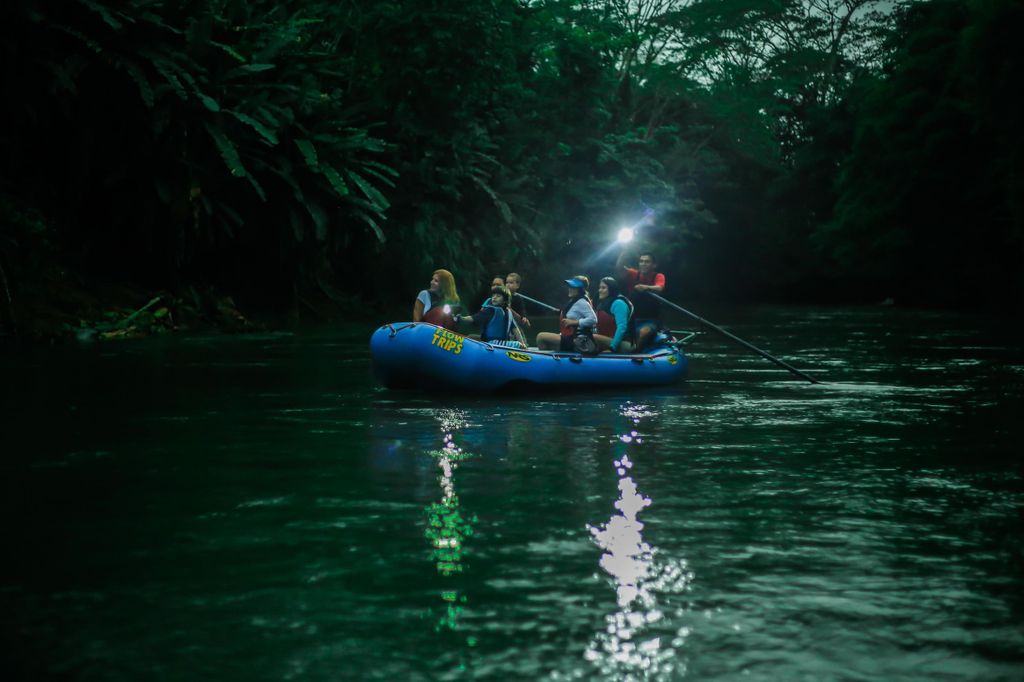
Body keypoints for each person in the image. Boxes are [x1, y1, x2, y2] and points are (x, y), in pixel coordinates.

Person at [616, 250, 665, 351]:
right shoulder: (633, 274)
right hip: (631, 319)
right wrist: (624, 249)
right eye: (641, 261)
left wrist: (646, 287)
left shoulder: (658, 276)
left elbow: (659, 288)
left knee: (643, 332)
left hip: (650, 320)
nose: (643, 264)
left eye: (647, 262)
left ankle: (636, 353)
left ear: (654, 265)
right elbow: (619, 267)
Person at [536, 278, 598, 352]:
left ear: (580, 289)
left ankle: (546, 360)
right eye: (570, 286)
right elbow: (573, 314)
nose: (569, 289)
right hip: (570, 337)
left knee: (541, 337)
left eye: (573, 287)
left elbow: (593, 319)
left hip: (577, 339)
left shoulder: (582, 302)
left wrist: (575, 322)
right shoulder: (575, 300)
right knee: (547, 341)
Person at [455, 285, 524, 345]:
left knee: (470, 338)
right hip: (503, 342)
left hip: (493, 343)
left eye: (498, 296)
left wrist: (459, 318)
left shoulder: (490, 311)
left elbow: (472, 318)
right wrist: (522, 343)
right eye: (493, 295)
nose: (494, 297)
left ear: (505, 300)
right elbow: (515, 330)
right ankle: (518, 345)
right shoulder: (508, 312)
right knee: (471, 336)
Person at [594, 277, 634, 353]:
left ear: (611, 289)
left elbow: (622, 326)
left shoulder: (618, 303)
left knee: (592, 338)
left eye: (603, 288)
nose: (600, 290)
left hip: (624, 344)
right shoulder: (602, 304)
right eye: (599, 287)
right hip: (608, 340)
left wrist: (612, 348)